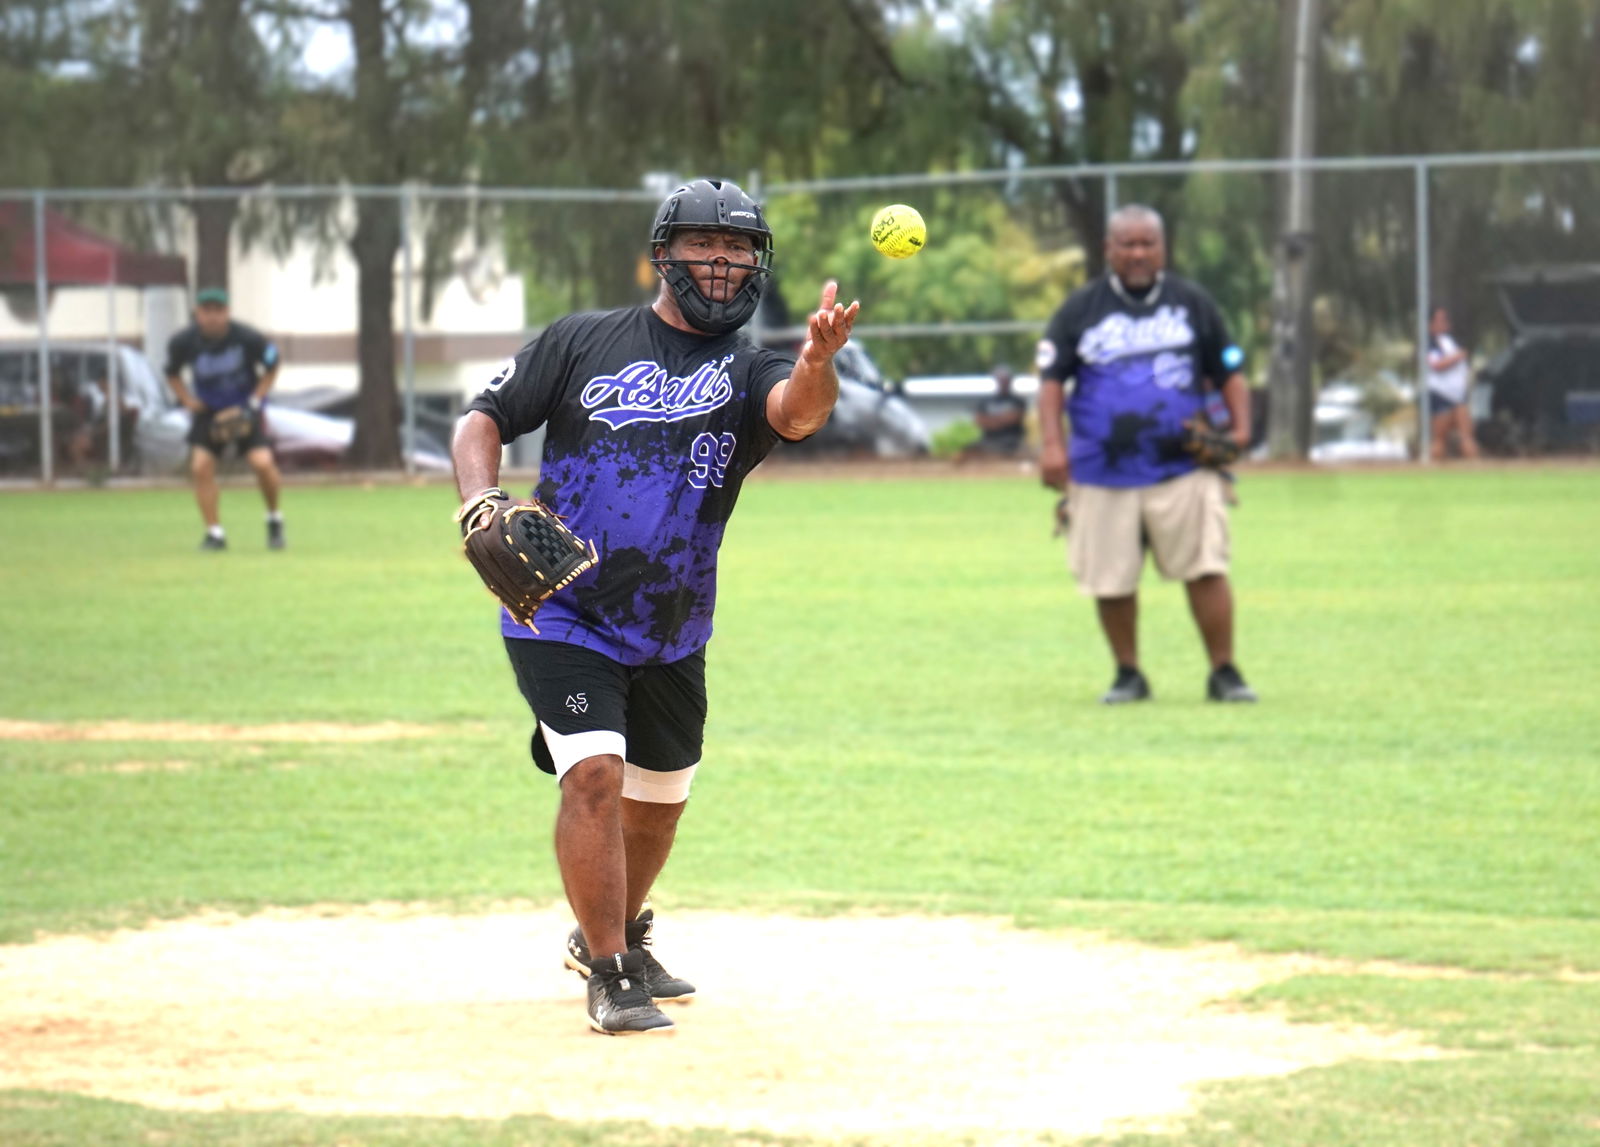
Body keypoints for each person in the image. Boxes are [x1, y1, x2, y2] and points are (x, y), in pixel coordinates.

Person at [450, 177, 859, 1035]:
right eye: (705, 244)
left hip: (674, 620)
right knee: (595, 773)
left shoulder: (752, 368)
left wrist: (818, 362)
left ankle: (618, 930)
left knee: (660, 801)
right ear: (662, 254)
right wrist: (480, 500)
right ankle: (608, 973)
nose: (722, 261)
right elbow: (481, 418)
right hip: (559, 602)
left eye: (740, 246)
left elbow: (798, 412)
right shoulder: (582, 340)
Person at [1035, 204, 1257, 705]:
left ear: (1163, 248)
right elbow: (1051, 383)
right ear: (1108, 250)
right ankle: (1128, 674)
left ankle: (1224, 672)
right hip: (1101, 468)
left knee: (1205, 567)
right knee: (1111, 576)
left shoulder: (1191, 303)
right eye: (1127, 244)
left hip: (1183, 464)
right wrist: (1053, 447)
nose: (1138, 253)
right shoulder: (1081, 309)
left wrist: (1240, 432)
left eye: (1147, 243)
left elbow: (1230, 370)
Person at [164, 287, 285, 550]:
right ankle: (214, 533)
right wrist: (186, 400)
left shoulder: (247, 338)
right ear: (197, 313)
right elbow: (171, 373)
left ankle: (274, 519)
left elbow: (272, 365)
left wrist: (254, 401)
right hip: (208, 412)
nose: (213, 317)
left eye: (219, 311)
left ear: (227, 313)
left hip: (243, 408)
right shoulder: (183, 342)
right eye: (207, 311)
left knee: (262, 463)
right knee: (200, 468)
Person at [1426, 305, 1479, 461]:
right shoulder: (1430, 344)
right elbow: (1437, 365)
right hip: (1441, 394)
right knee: (1439, 439)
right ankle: (1432, 472)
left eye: (1445, 319)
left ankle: (1476, 473)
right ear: (1431, 324)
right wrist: (1457, 357)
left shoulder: (1453, 341)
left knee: (1467, 435)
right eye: (1440, 319)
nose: (1444, 323)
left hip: (1458, 395)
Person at [969, 363, 1028, 457]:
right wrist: (1001, 419)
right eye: (1000, 379)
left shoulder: (1018, 401)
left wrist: (990, 420)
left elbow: (1013, 418)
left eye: (1005, 379)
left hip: (1011, 441)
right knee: (969, 448)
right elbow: (978, 421)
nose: (1003, 382)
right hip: (988, 440)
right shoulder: (985, 401)